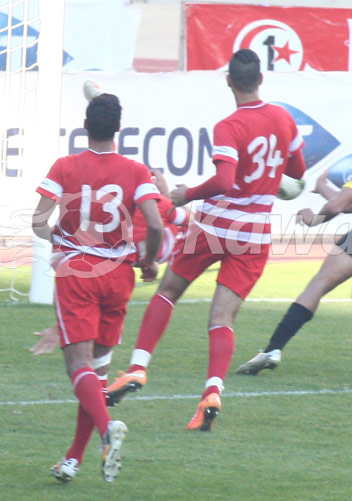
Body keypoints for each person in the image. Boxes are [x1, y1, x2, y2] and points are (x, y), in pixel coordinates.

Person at [105, 49, 306, 431]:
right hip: (253, 234)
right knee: (222, 317)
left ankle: (137, 368)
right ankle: (212, 392)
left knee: (167, 292)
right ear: (261, 79)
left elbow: (225, 181)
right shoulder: (284, 118)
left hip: (215, 226)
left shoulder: (229, 126)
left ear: (229, 81)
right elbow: (297, 170)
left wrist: (188, 193)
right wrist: (271, 180)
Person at [32, 93, 163, 483]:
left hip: (79, 274)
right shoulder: (136, 171)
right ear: (118, 129)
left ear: (85, 126)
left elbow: (38, 220)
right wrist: (150, 260)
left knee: (78, 367)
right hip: (119, 275)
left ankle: (108, 429)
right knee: (98, 371)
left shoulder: (66, 166)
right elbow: (155, 224)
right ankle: (73, 458)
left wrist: (59, 239)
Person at [237, 133, 352, 375]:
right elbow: (347, 204)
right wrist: (323, 185)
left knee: (318, 284)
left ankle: (273, 349)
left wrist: (313, 220)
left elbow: (335, 206)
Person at [29, 169, 190, 356]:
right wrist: (171, 196)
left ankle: (68, 330)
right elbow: (190, 219)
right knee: (103, 330)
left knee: (84, 292)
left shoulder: (120, 200)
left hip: (98, 256)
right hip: (133, 260)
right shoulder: (161, 204)